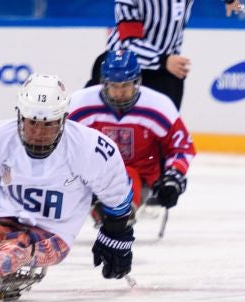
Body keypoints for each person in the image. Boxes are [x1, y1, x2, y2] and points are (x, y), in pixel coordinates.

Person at [0, 74, 135, 300]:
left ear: (63, 119)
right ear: (20, 116)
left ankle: (16, 250)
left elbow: (117, 196)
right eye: (32, 122)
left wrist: (115, 236)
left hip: (55, 232)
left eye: (49, 124)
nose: (39, 132)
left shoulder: (89, 147)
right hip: (5, 219)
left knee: (12, 254)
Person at [87, 0, 245, 109]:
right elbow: (130, 42)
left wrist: (231, 0)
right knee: (95, 113)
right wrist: (163, 60)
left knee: (166, 123)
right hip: (122, 65)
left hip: (167, 68)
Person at [68, 49, 195, 217]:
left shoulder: (158, 106)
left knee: (127, 174)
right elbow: (62, 143)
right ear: (103, 83)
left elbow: (181, 147)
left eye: (126, 85)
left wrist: (173, 176)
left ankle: (115, 212)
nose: (120, 93)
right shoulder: (80, 103)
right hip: (94, 175)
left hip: (142, 177)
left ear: (137, 82)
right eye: (114, 86)